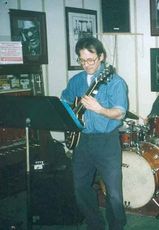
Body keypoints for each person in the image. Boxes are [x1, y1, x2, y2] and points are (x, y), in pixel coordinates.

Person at [61, 37, 128, 230]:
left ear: (101, 57)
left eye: (91, 60)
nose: (87, 65)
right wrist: (71, 112)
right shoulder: (76, 80)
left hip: (106, 142)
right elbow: (65, 101)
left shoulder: (115, 82)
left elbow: (120, 112)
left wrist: (100, 109)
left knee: (114, 193)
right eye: (82, 60)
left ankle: (117, 226)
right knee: (80, 187)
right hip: (82, 141)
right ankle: (95, 224)